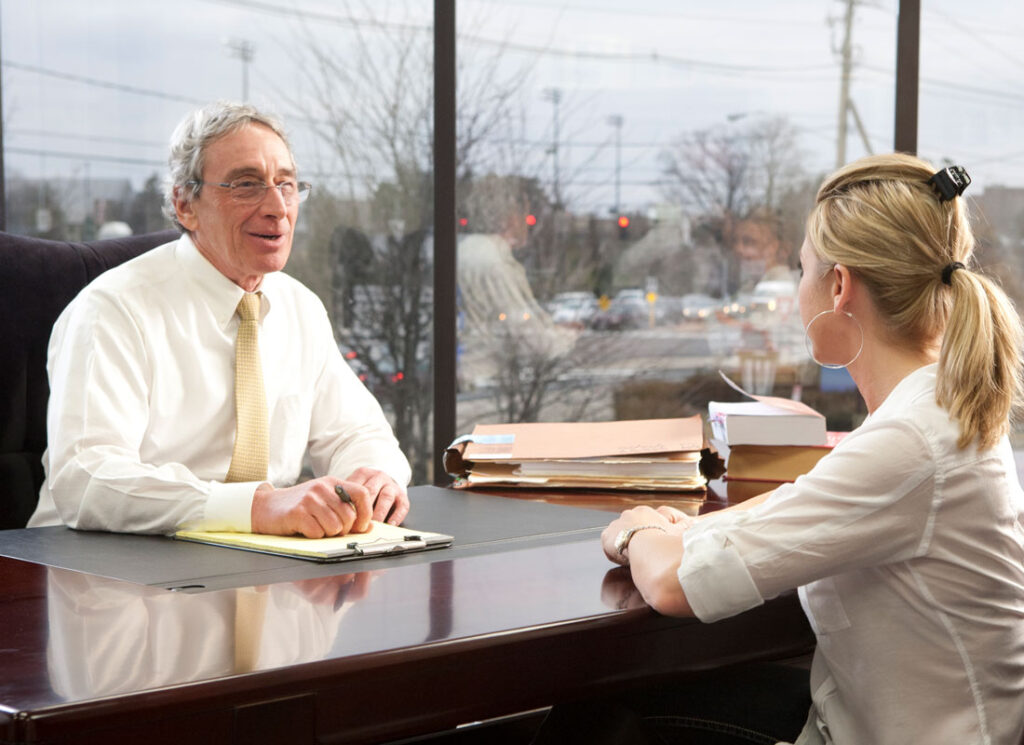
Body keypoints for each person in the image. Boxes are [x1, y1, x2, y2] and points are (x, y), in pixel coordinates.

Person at [575, 154, 1024, 744]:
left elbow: (670, 585)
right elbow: (802, 500)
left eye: (802, 268)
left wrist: (637, 530)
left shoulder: (913, 441)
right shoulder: (934, 409)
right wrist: (687, 528)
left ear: (839, 286)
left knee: (601, 717)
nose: (796, 291)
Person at [29, 101, 411, 537]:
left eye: (286, 185)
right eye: (247, 185)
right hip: (95, 564)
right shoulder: (113, 310)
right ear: (185, 205)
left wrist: (374, 479)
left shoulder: (300, 307)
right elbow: (87, 479)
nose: (277, 207)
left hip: (256, 559)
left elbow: (355, 433)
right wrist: (256, 507)